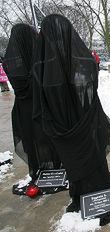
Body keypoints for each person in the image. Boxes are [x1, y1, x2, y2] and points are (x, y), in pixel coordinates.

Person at [32, 14, 110, 225]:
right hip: (84, 122)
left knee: (76, 161)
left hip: (64, 126)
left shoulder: (41, 65)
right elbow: (90, 81)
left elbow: (39, 104)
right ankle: (91, 194)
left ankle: (84, 195)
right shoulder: (81, 60)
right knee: (89, 159)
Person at [3, 23, 64, 195]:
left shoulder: (10, 62)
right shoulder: (38, 60)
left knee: (31, 141)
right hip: (41, 107)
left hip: (22, 109)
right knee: (46, 139)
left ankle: (38, 171)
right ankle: (54, 169)